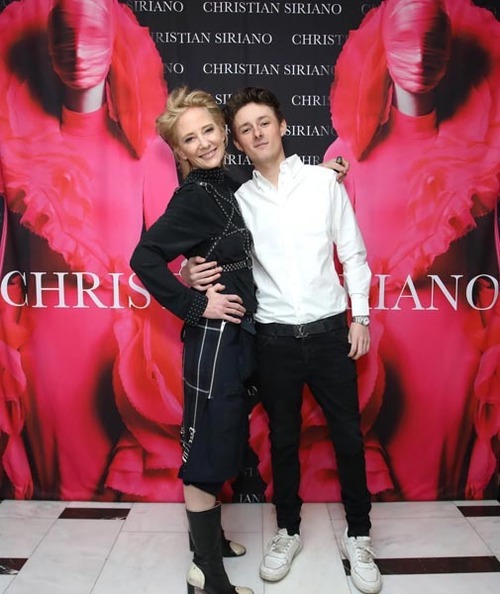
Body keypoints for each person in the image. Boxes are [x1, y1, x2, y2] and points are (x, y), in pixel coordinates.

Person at [185, 87, 382, 594]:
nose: (257, 134)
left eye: (264, 123)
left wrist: (360, 317)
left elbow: (353, 253)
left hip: (331, 333)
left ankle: (359, 536)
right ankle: (288, 531)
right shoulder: (238, 202)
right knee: (283, 440)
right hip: (273, 339)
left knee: (348, 437)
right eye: (245, 129)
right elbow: (211, 251)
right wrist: (187, 271)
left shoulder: (322, 182)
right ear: (237, 143)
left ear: (283, 125)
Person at [0, 0, 180, 500]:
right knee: (60, 490)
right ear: (50, 52)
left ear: (113, 48)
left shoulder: (148, 151)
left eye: (91, 37)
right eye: (65, 39)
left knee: (124, 489)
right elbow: (9, 259)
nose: (78, 52)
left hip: (126, 343)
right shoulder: (20, 152)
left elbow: (173, 257)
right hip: (46, 342)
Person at [324, 0, 500, 500]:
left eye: (432, 41)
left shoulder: (479, 159)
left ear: (449, 50)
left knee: (437, 498)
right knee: (370, 489)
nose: (420, 56)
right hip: (370, 344)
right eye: (406, 39)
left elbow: (489, 263)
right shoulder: (345, 155)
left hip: (451, 350)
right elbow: (329, 262)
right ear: (383, 49)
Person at [130, 87, 256, 594]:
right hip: (213, 338)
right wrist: (194, 302)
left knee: (222, 438)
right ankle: (207, 574)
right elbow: (143, 258)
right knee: (207, 448)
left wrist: (324, 175)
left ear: (223, 130)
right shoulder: (195, 195)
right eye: (190, 138)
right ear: (178, 150)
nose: (204, 142)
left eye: (209, 130)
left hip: (237, 337)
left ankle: (211, 543)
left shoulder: (229, 182)